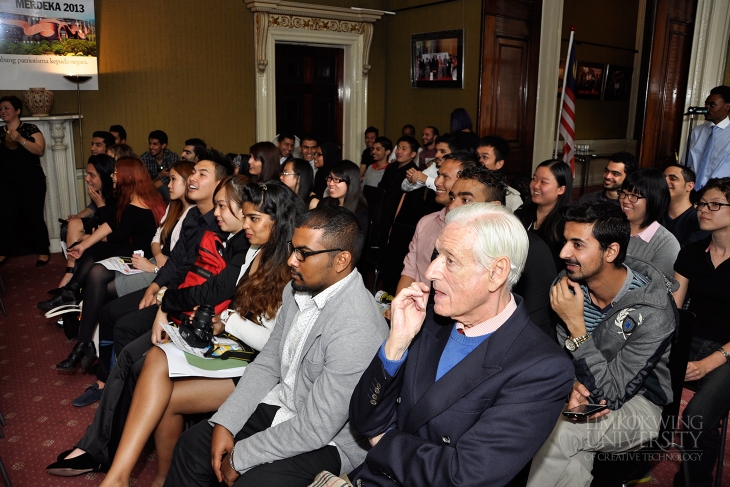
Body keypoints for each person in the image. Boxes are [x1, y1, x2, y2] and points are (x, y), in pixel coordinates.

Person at [347, 203, 574, 487]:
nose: (430, 270)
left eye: (450, 260)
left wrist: (385, 442)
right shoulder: (428, 319)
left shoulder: (541, 367)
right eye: (436, 255)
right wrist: (397, 342)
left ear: (497, 272)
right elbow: (364, 419)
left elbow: (464, 476)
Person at [97, 181, 305, 487]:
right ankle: (132, 476)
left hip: (261, 368)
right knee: (157, 357)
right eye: (245, 217)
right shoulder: (253, 250)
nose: (245, 225)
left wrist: (228, 320)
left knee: (161, 379)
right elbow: (224, 295)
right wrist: (221, 322)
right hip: (235, 349)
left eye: (254, 219)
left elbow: (273, 344)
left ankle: (132, 477)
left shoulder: (293, 267)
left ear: (280, 220)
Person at [163, 206, 389, 486]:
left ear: (341, 260)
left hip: (331, 441)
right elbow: (269, 362)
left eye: (303, 253)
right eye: (292, 248)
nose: (292, 261)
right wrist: (226, 422)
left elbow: (315, 428)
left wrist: (240, 456)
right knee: (192, 447)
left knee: (252, 482)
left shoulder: (357, 326)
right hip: (284, 404)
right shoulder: (296, 288)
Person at [45, 159, 242, 478]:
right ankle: (103, 444)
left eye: (200, 174)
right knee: (121, 333)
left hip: (196, 316)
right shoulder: (195, 217)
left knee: (131, 351)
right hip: (182, 304)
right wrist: (156, 287)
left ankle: (107, 447)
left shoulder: (232, 235)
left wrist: (166, 302)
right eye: (192, 173)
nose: (192, 178)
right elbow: (179, 264)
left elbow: (210, 285)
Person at [527, 201, 676, 487]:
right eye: (565, 241)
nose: (563, 253)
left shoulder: (653, 311)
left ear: (611, 251)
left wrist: (576, 326)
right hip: (580, 394)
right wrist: (568, 383)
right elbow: (557, 356)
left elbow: (612, 393)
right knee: (561, 449)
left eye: (577, 245)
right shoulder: (568, 284)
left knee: (561, 432)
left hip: (640, 406)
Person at [63, 160, 196, 408]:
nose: (167, 183)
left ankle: (104, 374)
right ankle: (99, 373)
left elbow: (184, 267)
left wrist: (156, 267)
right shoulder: (174, 208)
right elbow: (156, 240)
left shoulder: (195, 218)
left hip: (168, 284)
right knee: (100, 287)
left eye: (174, 179)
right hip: (158, 272)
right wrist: (157, 258)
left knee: (104, 293)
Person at [38, 157, 166, 369]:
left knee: (96, 269)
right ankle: (82, 334)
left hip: (142, 258)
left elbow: (116, 234)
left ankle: (81, 334)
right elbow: (113, 227)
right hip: (138, 252)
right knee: (94, 260)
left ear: (128, 177)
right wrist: (89, 239)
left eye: (117, 173)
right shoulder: (138, 199)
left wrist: (100, 210)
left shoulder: (135, 205)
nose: (113, 177)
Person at [448, 165, 557, 335]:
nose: (452, 206)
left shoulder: (532, 251)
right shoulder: (449, 245)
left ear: (494, 208)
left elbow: (534, 325)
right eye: (452, 197)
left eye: (466, 200)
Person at [672, 177, 730, 487]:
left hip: (728, 351)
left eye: (715, 205)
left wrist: (708, 363)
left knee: (696, 418)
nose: (703, 210)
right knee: (635, 386)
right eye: (701, 203)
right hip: (691, 340)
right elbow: (674, 311)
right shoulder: (692, 252)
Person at [395, 152, 476, 295]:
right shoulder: (426, 222)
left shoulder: (475, 230)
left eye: (445, 177)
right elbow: (410, 269)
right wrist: (399, 305)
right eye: (439, 175)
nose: (437, 182)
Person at [0, 95, 50, 267]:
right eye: (1, 109)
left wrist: (20, 139)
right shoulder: (0, 133)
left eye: (6, 108)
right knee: (6, 217)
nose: (3, 111)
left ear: (18, 111)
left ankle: (43, 251)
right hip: (7, 184)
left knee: (34, 216)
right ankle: (3, 252)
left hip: (32, 182)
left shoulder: (30, 128)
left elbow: (40, 149)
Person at [56, 154, 118, 288]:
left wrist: (101, 204)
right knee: (73, 224)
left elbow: (110, 226)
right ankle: (70, 271)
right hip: (102, 227)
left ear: (105, 175)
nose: (86, 178)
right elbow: (95, 213)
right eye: (86, 174)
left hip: (113, 237)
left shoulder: (117, 193)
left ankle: (75, 279)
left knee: (84, 235)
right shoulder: (101, 191)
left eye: (92, 175)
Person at [620, 168, 680, 279]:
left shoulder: (666, 243)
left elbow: (657, 290)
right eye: (623, 193)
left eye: (634, 196)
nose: (625, 200)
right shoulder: (610, 227)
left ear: (654, 200)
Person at [515, 159, 573, 271]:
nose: (536, 185)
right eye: (534, 179)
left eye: (544, 182)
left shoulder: (567, 224)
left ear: (561, 189)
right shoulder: (521, 213)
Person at [685, 85, 730, 190]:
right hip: (693, 190)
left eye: (712, 105)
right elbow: (687, 163)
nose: (707, 108)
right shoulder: (697, 132)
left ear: (727, 106)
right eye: (706, 104)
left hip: (719, 193)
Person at [660, 163, 710, 247]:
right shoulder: (655, 213)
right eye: (663, 178)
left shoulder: (700, 218)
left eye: (673, 178)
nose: (665, 182)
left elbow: (688, 252)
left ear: (689, 186)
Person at [318, 160, 369, 235]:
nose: (331, 183)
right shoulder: (324, 203)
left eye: (336, 179)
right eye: (330, 178)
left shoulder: (359, 215)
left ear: (350, 183)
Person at [476, 135, 523, 211]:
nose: (479, 161)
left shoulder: (511, 198)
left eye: (485, 157)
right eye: (477, 156)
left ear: (499, 164)